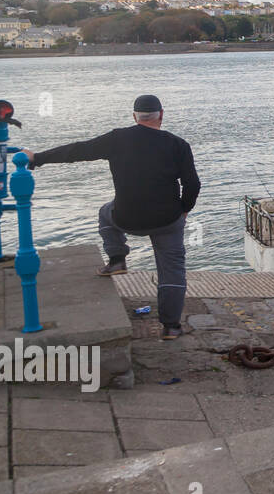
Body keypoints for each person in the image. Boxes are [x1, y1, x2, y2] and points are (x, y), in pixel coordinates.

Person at [26, 95, 199, 340]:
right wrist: (184, 210)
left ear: (134, 117)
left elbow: (77, 150)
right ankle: (171, 326)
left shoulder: (117, 139)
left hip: (125, 217)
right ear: (161, 114)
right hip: (167, 220)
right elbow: (192, 184)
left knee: (105, 213)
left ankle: (117, 259)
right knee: (172, 270)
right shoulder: (177, 144)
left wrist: (37, 158)